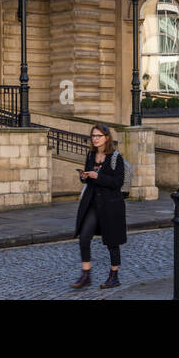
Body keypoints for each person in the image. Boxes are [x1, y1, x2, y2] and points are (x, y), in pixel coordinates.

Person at [71, 123, 127, 289]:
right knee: (84, 237)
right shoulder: (90, 155)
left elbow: (118, 182)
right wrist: (84, 176)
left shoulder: (115, 157)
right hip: (93, 203)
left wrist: (98, 176)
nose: (95, 139)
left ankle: (114, 275)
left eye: (98, 136)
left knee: (112, 241)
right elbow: (90, 179)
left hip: (111, 204)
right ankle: (86, 273)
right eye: (93, 136)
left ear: (107, 138)